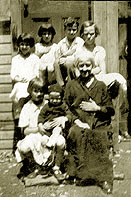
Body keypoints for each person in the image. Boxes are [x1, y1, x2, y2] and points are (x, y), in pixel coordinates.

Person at [64, 53, 115, 194]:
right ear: (77, 67)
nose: (85, 68)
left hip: (99, 123)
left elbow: (111, 110)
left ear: (92, 66)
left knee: (100, 136)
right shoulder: (71, 85)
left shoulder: (101, 85)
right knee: (76, 133)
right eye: (82, 65)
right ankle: (82, 175)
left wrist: (97, 108)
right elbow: (66, 107)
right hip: (80, 122)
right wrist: (77, 121)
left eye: (88, 65)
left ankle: (105, 179)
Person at [78, 20, 130, 139]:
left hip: (99, 78)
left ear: (96, 34)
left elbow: (102, 70)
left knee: (120, 80)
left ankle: (121, 119)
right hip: (85, 79)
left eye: (92, 33)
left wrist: (95, 71)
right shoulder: (80, 50)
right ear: (82, 35)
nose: (89, 36)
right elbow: (81, 71)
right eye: (86, 34)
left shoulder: (100, 50)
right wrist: (93, 70)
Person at [10, 33, 40, 154]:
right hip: (20, 85)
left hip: (30, 85)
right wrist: (18, 78)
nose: (24, 47)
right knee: (18, 89)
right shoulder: (15, 59)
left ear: (31, 46)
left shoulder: (35, 59)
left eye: (27, 44)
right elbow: (13, 74)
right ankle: (18, 144)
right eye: (22, 44)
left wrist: (28, 80)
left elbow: (36, 74)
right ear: (18, 45)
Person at [15, 77, 49, 179]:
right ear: (30, 91)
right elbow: (25, 131)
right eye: (35, 91)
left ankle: (49, 167)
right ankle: (34, 166)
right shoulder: (27, 107)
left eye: (41, 91)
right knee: (24, 147)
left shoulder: (48, 104)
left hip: (46, 135)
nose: (39, 94)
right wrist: (38, 129)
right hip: (33, 135)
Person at [38, 83, 72, 181]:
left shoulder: (63, 106)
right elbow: (41, 116)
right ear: (49, 98)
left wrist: (65, 118)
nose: (55, 101)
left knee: (58, 132)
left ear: (61, 98)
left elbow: (69, 115)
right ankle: (45, 163)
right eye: (52, 98)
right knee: (43, 140)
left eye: (57, 98)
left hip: (59, 130)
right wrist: (40, 125)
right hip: (48, 130)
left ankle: (56, 166)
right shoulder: (46, 106)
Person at [54, 17, 84, 87]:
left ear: (77, 30)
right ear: (65, 30)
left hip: (77, 66)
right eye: (69, 30)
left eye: (74, 30)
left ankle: (73, 85)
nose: (71, 32)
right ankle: (61, 85)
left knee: (70, 61)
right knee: (56, 62)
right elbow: (58, 57)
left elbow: (78, 56)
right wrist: (63, 57)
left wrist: (65, 57)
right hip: (64, 68)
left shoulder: (80, 42)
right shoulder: (61, 43)